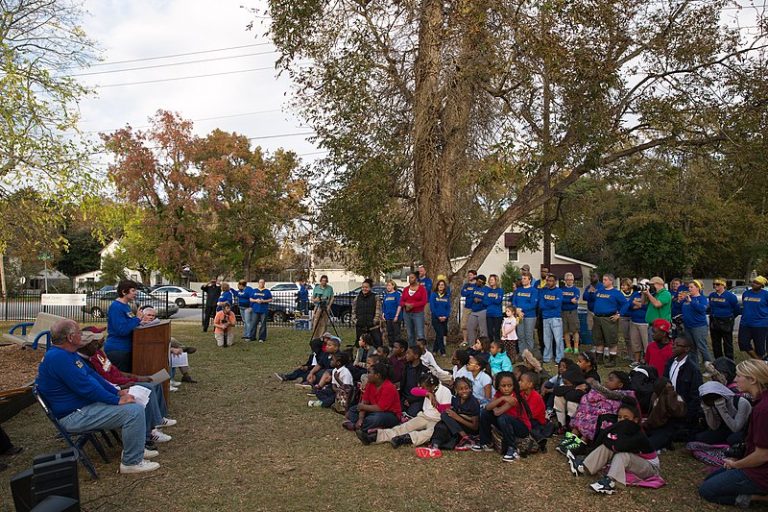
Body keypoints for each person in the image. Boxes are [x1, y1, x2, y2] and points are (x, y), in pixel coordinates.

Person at [36, 319, 159, 474]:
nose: (82, 335)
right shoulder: (59, 358)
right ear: (70, 337)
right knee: (133, 412)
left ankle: (137, 447)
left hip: (82, 407)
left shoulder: (67, 354)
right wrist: (116, 400)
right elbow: (86, 388)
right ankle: (131, 462)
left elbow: (93, 377)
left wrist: (117, 392)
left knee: (134, 402)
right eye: (79, 333)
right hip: (73, 414)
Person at [79, 333, 176, 447]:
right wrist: (124, 385)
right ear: (86, 345)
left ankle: (159, 418)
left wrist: (136, 377)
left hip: (122, 382)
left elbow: (115, 371)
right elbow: (105, 380)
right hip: (118, 386)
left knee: (156, 381)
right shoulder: (89, 360)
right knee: (148, 387)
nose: (101, 341)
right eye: (96, 341)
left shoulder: (99, 353)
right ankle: (148, 434)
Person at [699, 360, 768, 507]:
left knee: (707, 491)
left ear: (753, 379)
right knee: (711, 479)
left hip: (761, 473)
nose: (735, 379)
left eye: (738, 375)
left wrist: (738, 464)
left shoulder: (763, 409)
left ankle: (759, 497)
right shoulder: (760, 402)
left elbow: (763, 454)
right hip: (754, 463)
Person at [567, 402, 660, 495]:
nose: (622, 420)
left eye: (626, 418)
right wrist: (610, 439)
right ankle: (585, 467)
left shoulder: (638, 434)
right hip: (634, 462)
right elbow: (605, 439)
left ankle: (610, 482)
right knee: (608, 447)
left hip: (650, 468)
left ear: (635, 420)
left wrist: (610, 440)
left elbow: (619, 446)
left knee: (621, 455)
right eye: (619, 417)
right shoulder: (621, 428)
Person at [361, 373, 451, 447]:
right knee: (405, 427)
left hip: (437, 420)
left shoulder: (445, 391)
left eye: (424, 387)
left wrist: (436, 404)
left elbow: (445, 411)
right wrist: (427, 393)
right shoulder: (428, 391)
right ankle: (374, 437)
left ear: (432, 386)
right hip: (424, 416)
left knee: (430, 433)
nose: (421, 389)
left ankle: (405, 439)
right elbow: (413, 391)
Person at [471, 371, 532, 462]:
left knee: (502, 417)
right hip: (505, 423)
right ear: (498, 386)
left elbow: (497, 412)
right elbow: (488, 407)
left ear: (514, 386)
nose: (506, 388)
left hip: (521, 428)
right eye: (503, 386)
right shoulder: (499, 394)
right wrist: (502, 398)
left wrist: (496, 405)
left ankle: (512, 448)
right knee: (485, 413)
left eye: (509, 385)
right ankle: (486, 442)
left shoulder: (513, 398)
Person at [104, 280, 150, 372]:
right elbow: (122, 330)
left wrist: (140, 322)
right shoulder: (116, 307)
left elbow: (128, 323)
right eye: (133, 290)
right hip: (118, 349)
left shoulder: (126, 306)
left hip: (126, 347)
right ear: (124, 292)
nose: (136, 293)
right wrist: (137, 319)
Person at [344, 362, 402, 432]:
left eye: (369, 373)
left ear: (377, 375)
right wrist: (361, 418)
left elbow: (380, 408)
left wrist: (362, 407)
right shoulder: (370, 384)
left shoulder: (389, 387)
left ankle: (357, 426)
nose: (367, 375)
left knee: (376, 418)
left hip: (389, 414)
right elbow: (365, 402)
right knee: (352, 410)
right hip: (373, 410)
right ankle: (365, 425)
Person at [430, 376, 481, 451]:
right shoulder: (456, 399)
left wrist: (457, 417)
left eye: (466, 388)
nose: (464, 391)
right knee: (441, 424)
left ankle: (465, 437)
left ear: (470, 389)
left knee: (444, 416)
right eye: (461, 389)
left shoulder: (473, 402)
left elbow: (475, 427)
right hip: (457, 425)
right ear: (456, 390)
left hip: (469, 429)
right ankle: (435, 445)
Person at [695, 380, 751, 446]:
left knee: (732, 439)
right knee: (700, 437)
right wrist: (707, 410)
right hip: (726, 429)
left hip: (743, 430)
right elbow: (714, 427)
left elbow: (736, 428)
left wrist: (721, 409)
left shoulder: (741, 402)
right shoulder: (712, 404)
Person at [664, 337, 703, 432]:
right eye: (673, 344)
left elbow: (695, 395)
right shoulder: (670, 362)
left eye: (678, 345)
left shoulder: (692, 369)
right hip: (670, 404)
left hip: (684, 408)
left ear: (687, 349)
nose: (673, 347)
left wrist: (689, 416)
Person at [591, 274, 627, 368]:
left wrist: (619, 314)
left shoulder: (616, 293)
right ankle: (599, 358)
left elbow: (625, 304)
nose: (603, 281)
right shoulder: (599, 291)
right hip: (598, 318)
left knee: (611, 340)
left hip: (609, 319)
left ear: (611, 281)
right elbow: (590, 299)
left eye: (605, 280)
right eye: (603, 279)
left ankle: (612, 360)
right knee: (598, 339)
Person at [708, 278, 740, 360]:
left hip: (726, 322)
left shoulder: (731, 296)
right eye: (714, 284)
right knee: (715, 343)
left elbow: (737, 309)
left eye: (718, 284)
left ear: (723, 285)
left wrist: (730, 317)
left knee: (727, 343)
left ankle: (729, 362)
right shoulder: (712, 295)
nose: (715, 286)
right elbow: (711, 307)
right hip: (714, 321)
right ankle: (718, 361)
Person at [681, 279, 711, 365]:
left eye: (691, 287)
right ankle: (695, 364)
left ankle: (709, 365)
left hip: (698, 326)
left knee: (702, 346)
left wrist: (691, 302)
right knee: (691, 346)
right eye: (689, 287)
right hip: (688, 326)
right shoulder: (686, 298)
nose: (689, 289)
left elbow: (702, 309)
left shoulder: (702, 298)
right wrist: (680, 300)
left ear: (698, 288)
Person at [739, 276, 768, 360]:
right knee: (743, 344)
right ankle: (759, 361)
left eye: (757, 283)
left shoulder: (766, 295)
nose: (754, 284)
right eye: (753, 282)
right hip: (745, 323)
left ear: (761, 285)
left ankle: (759, 364)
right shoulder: (746, 293)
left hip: (760, 325)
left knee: (760, 348)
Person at [397, 272, 428, 347]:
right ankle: (412, 350)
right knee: (410, 334)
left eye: (412, 277)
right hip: (407, 314)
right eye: (409, 278)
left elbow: (424, 301)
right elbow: (401, 301)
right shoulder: (406, 289)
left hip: (418, 313)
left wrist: (413, 305)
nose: (410, 279)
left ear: (416, 278)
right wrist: (406, 304)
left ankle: (422, 351)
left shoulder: (422, 289)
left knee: (420, 334)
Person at [622, 284, 649, 367]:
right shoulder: (635, 294)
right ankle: (636, 360)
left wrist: (637, 304)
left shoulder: (650, 295)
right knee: (635, 343)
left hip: (645, 322)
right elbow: (630, 304)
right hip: (634, 321)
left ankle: (646, 360)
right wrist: (638, 305)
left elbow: (647, 307)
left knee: (646, 344)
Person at [540, 273, 564, 364]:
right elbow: (541, 305)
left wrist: (548, 304)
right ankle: (547, 357)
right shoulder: (544, 291)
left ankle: (559, 358)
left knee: (558, 339)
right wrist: (550, 303)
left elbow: (556, 304)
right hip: (545, 317)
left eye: (551, 281)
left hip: (556, 318)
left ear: (555, 282)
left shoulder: (559, 291)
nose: (549, 282)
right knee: (547, 339)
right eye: (548, 281)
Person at [513, 274, 539, 357]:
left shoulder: (534, 291)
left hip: (529, 316)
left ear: (530, 280)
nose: (523, 280)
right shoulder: (518, 290)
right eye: (522, 278)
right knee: (520, 335)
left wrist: (521, 309)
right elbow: (514, 301)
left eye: (525, 278)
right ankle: (522, 354)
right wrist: (516, 310)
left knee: (528, 336)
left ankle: (529, 355)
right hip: (519, 316)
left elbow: (533, 304)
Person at [400, 345, 429, 417]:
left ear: (416, 356)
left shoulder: (424, 370)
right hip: (404, 397)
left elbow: (425, 390)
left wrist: (411, 400)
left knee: (411, 414)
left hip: (417, 399)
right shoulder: (406, 367)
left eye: (408, 353)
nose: (406, 355)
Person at [352, 278, 382, 347]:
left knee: (377, 344)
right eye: (363, 287)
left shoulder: (375, 297)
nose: (364, 289)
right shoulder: (357, 298)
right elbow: (353, 311)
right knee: (360, 345)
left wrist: (374, 321)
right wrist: (356, 321)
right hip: (360, 325)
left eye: (366, 287)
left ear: (370, 288)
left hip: (373, 326)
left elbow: (378, 310)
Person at [644, 276, 673, 342]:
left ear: (659, 284)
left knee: (659, 345)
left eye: (652, 284)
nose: (650, 286)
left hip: (661, 327)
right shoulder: (654, 294)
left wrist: (648, 294)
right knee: (652, 346)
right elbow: (643, 303)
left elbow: (657, 304)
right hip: (652, 325)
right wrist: (644, 293)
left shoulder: (665, 294)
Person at [429, 279, 451, 356]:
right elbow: (432, 307)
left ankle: (434, 350)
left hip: (445, 318)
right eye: (439, 285)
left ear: (444, 286)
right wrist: (439, 316)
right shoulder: (433, 295)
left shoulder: (447, 295)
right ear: (437, 286)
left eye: (442, 285)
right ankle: (442, 351)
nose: (441, 286)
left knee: (439, 334)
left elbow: (448, 307)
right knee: (440, 334)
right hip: (436, 318)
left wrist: (446, 316)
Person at [561, 273, 581, 355]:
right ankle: (568, 347)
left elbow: (575, 300)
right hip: (563, 312)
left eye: (571, 280)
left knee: (575, 330)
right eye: (568, 279)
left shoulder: (576, 290)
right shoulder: (561, 289)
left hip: (572, 312)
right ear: (565, 280)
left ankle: (576, 347)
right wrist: (569, 300)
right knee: (565, 330)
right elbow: (561, 300)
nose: (569, 281)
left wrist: (568, 300)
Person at [466, 274, 489, 342]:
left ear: (483, 282)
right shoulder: (475, 288)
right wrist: (474, 299)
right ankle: (472, 346)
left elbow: (488, 300)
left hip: (483, 310)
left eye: (478, 281)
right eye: (477, 281)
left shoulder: (487, 289)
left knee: (483, 330)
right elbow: (471, 296)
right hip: (474, 310)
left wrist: (480, 300)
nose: (477, 282)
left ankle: (483, 346)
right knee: (470, 328)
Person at [311, 275, 335, 339]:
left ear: (327, 281)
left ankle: (322, 336)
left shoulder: (330, 288)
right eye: (322, 281)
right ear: (320, 281)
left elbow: (332, 297)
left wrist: (329, 306)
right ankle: (315, 337)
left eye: (325, 281)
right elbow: (312, 298)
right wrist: (316, 299)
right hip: (318, 306)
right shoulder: (316, 288)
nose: (324, 282)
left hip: (326, 307)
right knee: (316, 322)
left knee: (324, 323)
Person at [250, 279, 272, 343]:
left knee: (263, 324)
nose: (261, 283)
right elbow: (251, 299)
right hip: (255, 310)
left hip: (263, 310)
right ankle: (252, 337)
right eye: (260, 282)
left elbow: (270, 299)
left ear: (264, 283)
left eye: (263, 282)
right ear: (258, 283)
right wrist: (256, 300)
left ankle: (262, 338)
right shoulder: (254, 290)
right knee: (253, 323)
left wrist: (263, 301)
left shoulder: (267, 291)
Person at [485, 274, 504, 343]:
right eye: (489, 280)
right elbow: (485, 302)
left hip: (497, 315)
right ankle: (491, 347)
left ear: (496, 281)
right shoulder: (487, 290)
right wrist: (493, 299)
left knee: (496, 333)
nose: (490, 281)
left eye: (492, 280)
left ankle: (498, 348)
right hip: (489, 314)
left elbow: (498, 301)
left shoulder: (500, 290)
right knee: (490, 333)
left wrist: (490, 299)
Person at [460, 270, 478, 343]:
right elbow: (463, 293)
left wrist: (469, 293)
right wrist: (471, 293)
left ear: (475, 276)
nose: (469, 276)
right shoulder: (466, 285)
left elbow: (477, 294)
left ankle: (475, 341)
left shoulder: (477, 285)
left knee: (474, 326)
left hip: (475, 308)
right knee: (464, 325)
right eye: (468, 275)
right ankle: (465, 340)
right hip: (467, 307)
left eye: (470, 275)